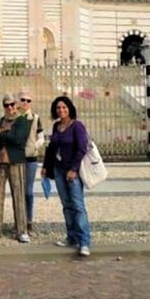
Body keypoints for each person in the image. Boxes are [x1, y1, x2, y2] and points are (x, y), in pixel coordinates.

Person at [42, 95, 93, 257]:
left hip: (72, 171)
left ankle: (84, 241)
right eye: (58, 108)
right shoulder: (57, 126)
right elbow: (51, 148)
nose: (61, 110)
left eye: (64, 107)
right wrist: (45, 166)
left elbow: (82, 148)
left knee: (78, 205)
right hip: (58, 170)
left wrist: (74, 169)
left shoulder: (77, 126)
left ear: (70, 108)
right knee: (66, 205)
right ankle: (71, 237)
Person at [0, 93, 31, 243]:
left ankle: (21, 230)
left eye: (12, 104)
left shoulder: (22, 121)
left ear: (16, 105)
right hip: (0, 162)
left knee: (18, 196)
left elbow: (18, 140)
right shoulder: (0, 120)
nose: (10, 107)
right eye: (7, 105)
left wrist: (1, 134)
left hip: (16, 161)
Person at [17, 89, 45, 228]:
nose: (25, 102)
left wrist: (35, 147)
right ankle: (19, 219)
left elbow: (41, 137)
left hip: (30, 159)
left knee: (28, 191)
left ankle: (29, 220)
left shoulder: (35, 117)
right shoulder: (14, 116)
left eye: (28, 100)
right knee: (18, 191)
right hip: (16, 158)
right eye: (23, 99)